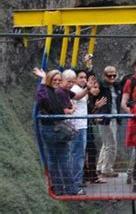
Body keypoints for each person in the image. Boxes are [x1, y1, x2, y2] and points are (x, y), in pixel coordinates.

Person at [33, 68, 84, 196]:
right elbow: (41, 98)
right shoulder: (47, 92)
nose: (56, 82)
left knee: (54, 160)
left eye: (58, 80)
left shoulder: (53, 92)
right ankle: (70, 188)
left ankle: (58, 188)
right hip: (54, 130)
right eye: (54, 80)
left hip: (50, 128)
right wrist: (43, 80)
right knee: (62, 159)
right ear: (50, 80)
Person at [96, 65, 122, 178]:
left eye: (114, 75)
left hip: (114, 117)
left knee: (106, 143)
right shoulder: (101, 86)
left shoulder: (116, 86)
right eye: (109, 75)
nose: (112, 77)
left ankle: (100, 166)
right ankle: (107, 168)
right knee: (111, 144)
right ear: (104, 75)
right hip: (105, 118)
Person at [83, 81, 107, 184]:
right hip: (83, 129)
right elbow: (84, 113)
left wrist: (94, 115)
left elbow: (89, 114)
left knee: (92, 150)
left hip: (88, 128)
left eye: (97, 87)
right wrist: (95, 108)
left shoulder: (91, 99)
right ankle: (86, 175)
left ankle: (92, 175)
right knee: (86, 152)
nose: (96, 89)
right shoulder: (85, 98)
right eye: (94, 87)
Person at [69, 69, 89, 187]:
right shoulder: (74, 89)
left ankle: (77, 179)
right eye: (80, 77)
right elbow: (76, 97)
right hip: (78, 126)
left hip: (82, 125)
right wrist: (88, 88)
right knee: (78, 154)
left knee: (79, 153)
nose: (83, 79)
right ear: (75, 79)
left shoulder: (81, 89)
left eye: (84, 77)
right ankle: (76, 180)